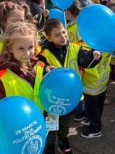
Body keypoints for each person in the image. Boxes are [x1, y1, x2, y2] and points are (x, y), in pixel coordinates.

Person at [38, 19, 101, 154]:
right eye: (57, 35)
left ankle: (63, 139)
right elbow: (39, 67)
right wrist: (46, 68)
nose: (63, 37)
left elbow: (85, 60)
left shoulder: (75, 48)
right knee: (51, 122)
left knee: (65, 122)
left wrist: (94, 56)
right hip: (52, 98)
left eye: (63, 32)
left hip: (70, 96)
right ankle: (49, 145)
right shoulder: (44, 53)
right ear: (48, 37)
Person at [0, 22, 45, 110]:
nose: (27, 53)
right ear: (10, 47)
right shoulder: (0, 78)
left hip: (38, 120)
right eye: (21, 48)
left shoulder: (37, 67)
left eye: (30, 47)